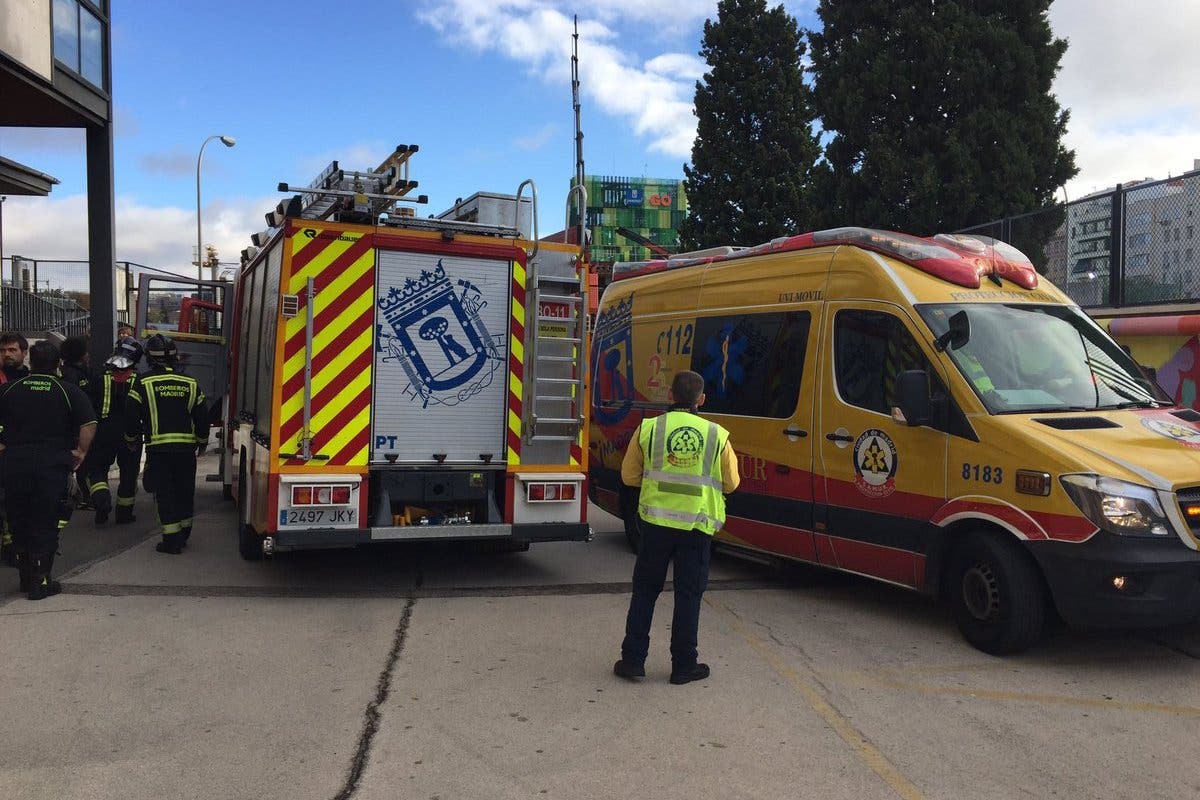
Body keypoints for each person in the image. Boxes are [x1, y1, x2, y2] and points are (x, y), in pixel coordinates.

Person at [613, 370, 740, 685]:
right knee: (688, 596)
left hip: (655, 526)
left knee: (645, 591)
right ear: (702, 400)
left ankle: (632, 661)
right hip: (696, 527)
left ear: (670, 396)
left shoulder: (649, 429)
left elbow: (629, 477)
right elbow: (731, 483)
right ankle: (684, 666)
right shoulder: (716, 434)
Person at [0, 340, 96, 600]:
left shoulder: (10, 389)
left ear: (31, 359)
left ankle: (25, 577)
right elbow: (88, 422)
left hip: (14, 463)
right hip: (51, 464)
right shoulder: (68, 391)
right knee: (46, 519)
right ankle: (41, 582)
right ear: (58, 363)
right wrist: (82, 452)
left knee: (19, 518)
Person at [125, 334, 208, 554]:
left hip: (159, 450)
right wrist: (202, 441)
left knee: (165, 493)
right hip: (186, 451)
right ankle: (184, 533)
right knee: (184, 491)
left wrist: (131, 440)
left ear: (149, 358)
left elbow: (130, 417)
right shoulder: (191, 383)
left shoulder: (142, 383)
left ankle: (171, 541)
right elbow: (202, 416)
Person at [86, 337, 145, 525]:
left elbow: (87, 405)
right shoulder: (140, 381)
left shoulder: (98, 378)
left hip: (102, 432)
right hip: (132, 434)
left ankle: (101, 501)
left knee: (97, 470)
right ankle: (124, 514)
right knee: (129, 474)